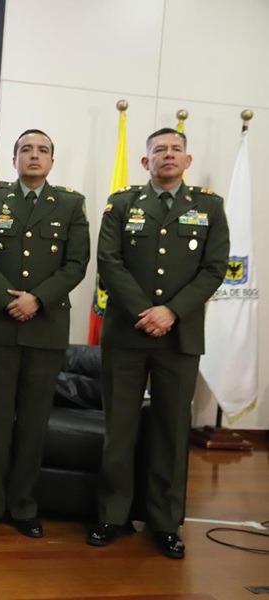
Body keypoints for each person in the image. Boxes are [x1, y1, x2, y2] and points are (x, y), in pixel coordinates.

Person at [87, 128, 229, 559]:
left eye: (176, 150)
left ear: (188, 161)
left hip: (179, 336)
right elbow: (108, 262)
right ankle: (113, 515)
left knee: (171, 430)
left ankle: (166, 523)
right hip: (126, 335)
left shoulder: (208, 207)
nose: (168, 156)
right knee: (120, 431)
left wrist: (171, 312)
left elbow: (215, 267)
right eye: (159, 151)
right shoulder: (122, 204)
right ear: (146, 163)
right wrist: (144, 311)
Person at [0, 129, 90, 538]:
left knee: (34, 423)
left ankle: (23, 507)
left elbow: (76, 263)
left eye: (43, 150)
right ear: (14, 158)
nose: (34, 156)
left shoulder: (71, 203)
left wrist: (36, 299)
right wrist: (6, 299)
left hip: (45, 324)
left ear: (52, 161)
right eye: (26, 150)